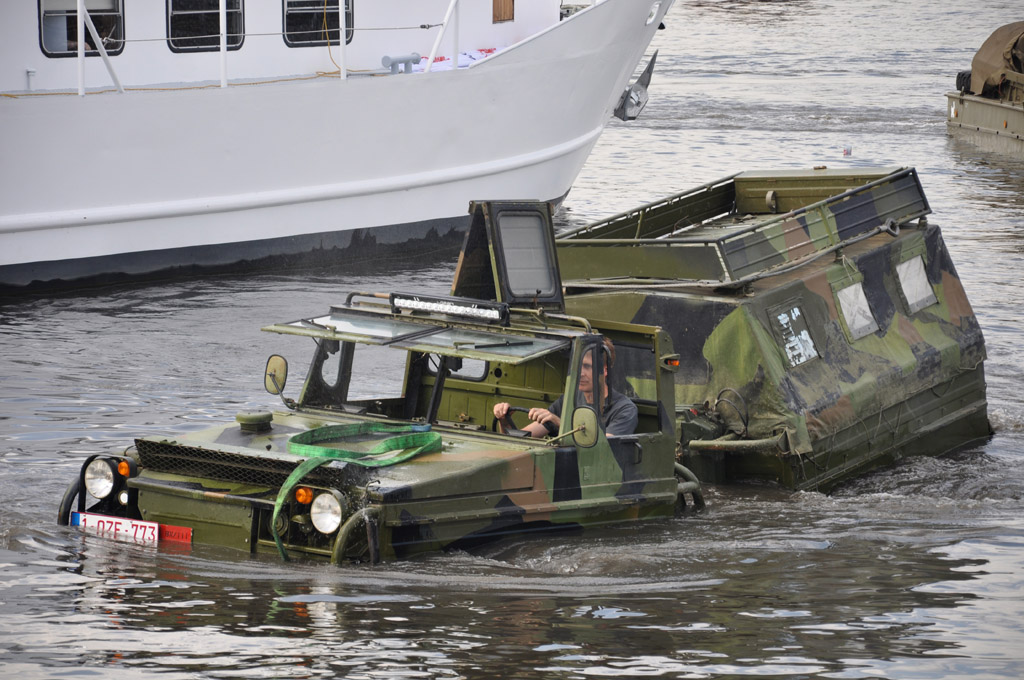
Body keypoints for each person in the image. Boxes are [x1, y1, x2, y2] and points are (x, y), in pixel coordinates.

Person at [492, 338, 638, 438]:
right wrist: (504, 420)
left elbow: (603, 448)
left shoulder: (624, 409)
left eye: (587, 366)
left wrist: (559, 422)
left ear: (604, 370)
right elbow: (522, 438)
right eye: (578, 366)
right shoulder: (568, 402)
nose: (580, 373)